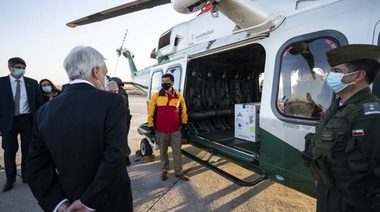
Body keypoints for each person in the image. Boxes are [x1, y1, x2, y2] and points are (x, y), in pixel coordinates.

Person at [26, 46, 133, 212]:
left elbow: (35, 166)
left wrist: (57, 203)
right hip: (110, 199)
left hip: (68, 200)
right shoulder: (113, 102)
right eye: (104, 73)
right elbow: (115, 154)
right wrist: (89, 201)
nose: (104, 78)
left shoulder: (44, 111)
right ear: (96, 71)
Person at [302, 44, 380, 211]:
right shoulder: (340, 105)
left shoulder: (370, 114)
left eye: (337, 71)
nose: (331, 76)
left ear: (358, 75)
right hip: (329, 193)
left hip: (352, 202)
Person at [0, 57, 43, 192]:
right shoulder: (1, 83)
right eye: (18, 67)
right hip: (8, 121)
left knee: (28, 149)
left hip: (27, 121)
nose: (21, 70)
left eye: (23, 68)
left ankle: (26, 175)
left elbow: (39, 103)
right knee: (9, 150)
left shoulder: (32, 83)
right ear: (10, 68)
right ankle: (10, 178)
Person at [147, 73, 189, 181]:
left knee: (177, 151)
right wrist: (150, 125)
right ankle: (165, 170)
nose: (164, 83)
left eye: (167, 81)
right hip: (161, 130)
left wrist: (184, 123)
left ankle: (178, 172)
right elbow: (150, 111)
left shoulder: (179, 96)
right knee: (163, 151)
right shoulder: (156, 96)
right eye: (163, 81)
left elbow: (184, 111)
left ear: (172, 82)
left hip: (175, 129)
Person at [107, 80, 132, 166]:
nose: (113, 94)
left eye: (115, 92)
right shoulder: (103, 102)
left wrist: (125, 131)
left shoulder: (122, 100)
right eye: (111, 91)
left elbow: (127, 117)